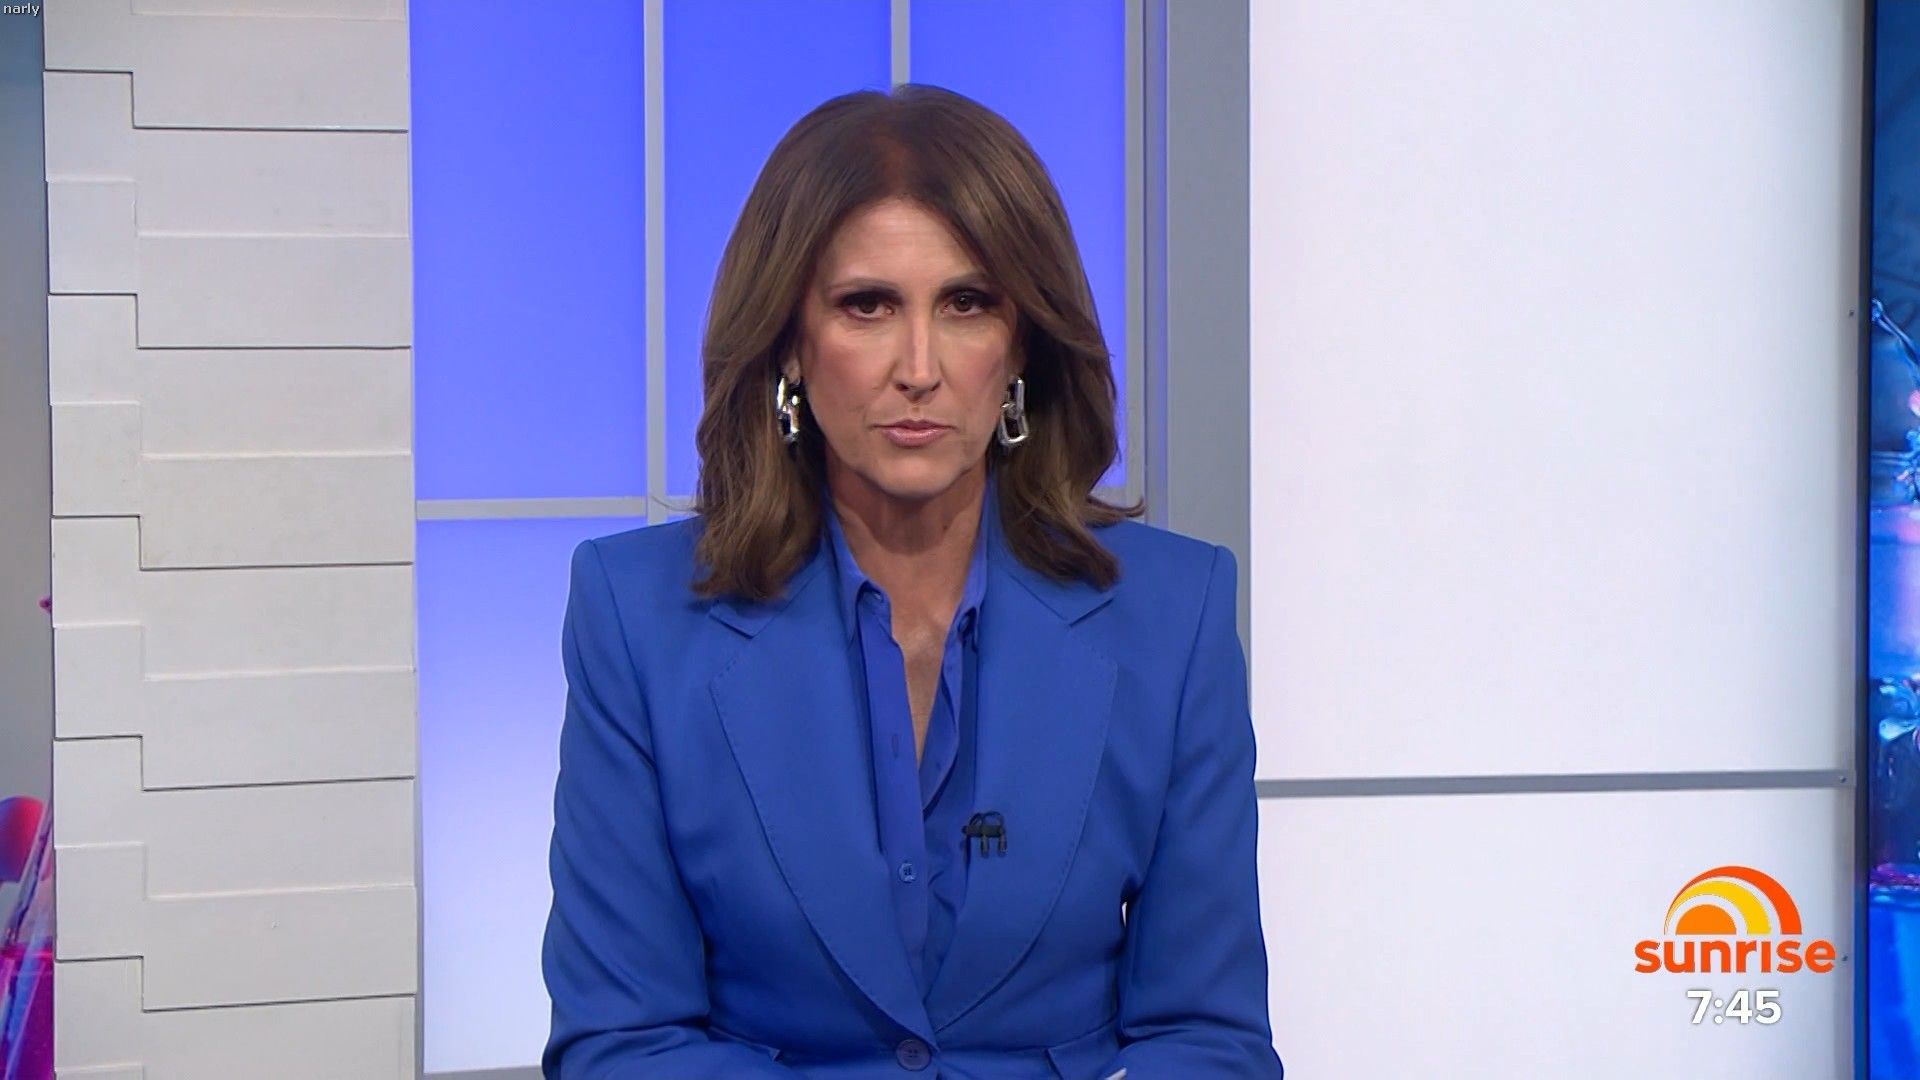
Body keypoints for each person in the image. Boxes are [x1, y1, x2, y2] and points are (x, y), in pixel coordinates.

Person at [540, 83, 1283, 1079]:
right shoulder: (636, 616)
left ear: (1021, 344)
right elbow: (624, 1043)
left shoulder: (1174, 614)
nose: (919, 366)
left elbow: (1207, 1036)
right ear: (791, 341)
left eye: (967, 304)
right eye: (868, 306)